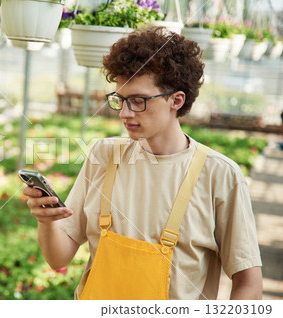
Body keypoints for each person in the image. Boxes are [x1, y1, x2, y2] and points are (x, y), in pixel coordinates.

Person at [22, 27, 262, 300]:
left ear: (176, 100)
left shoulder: (219, 174)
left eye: (137, 101)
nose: (124, 113)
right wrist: (46, 221)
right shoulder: (103, 155)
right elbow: (58, 258)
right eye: (120, 100)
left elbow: (248, 282)